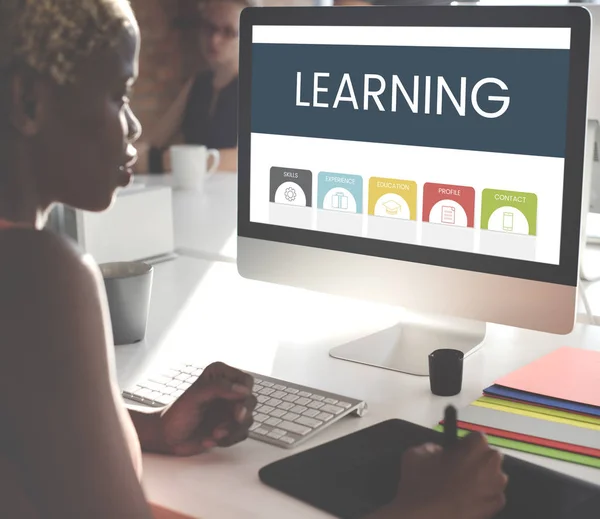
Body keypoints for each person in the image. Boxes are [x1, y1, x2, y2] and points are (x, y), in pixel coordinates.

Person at [0, 0, 507, 517]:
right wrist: (429, 508)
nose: (132, 126)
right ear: (28, 101)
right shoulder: (41, 278)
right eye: (118, 95)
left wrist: (148, 426)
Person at [136, 0, 253, 175]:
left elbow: (246, 157)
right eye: (210, 28)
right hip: (191, 190)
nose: (214, 39)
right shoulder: (198, 82)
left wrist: (161, 161)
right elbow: (154, 140)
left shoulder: (255, 85)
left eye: (228, 32)